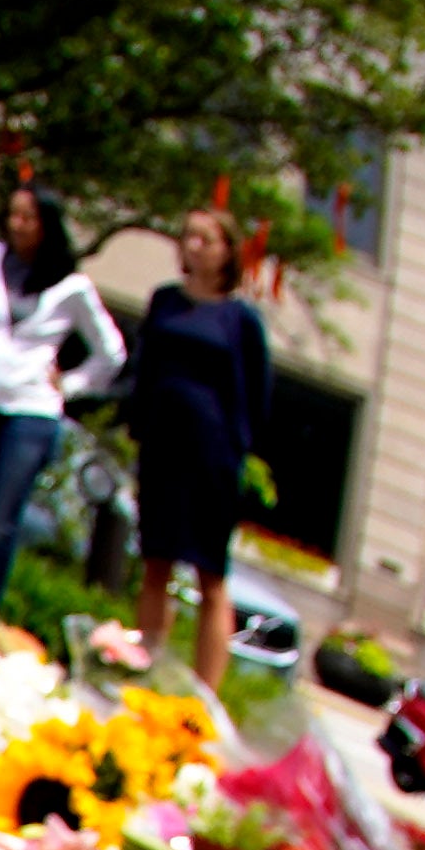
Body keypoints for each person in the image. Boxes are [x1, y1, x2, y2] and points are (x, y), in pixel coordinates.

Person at [0, 186, 122, 602]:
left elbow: (111, 352)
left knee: (2, 521)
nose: (18, 225)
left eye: (28, 218)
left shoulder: (72, 287)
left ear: (47, 224)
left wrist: (71, 384)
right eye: (12, 215)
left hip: (30, 411)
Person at [128, 208, 276, 687]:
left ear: (228, 252)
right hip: (161, 448)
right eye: (187, 236)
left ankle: (204, 695)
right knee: (155, 563)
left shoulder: (241, 320)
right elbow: (144, 368)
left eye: (205, 239)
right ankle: (143, 669)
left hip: (211, 458)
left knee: (210, 575)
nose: (192, 245)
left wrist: (235, 447)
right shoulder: (165, 301)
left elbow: (257, 396)